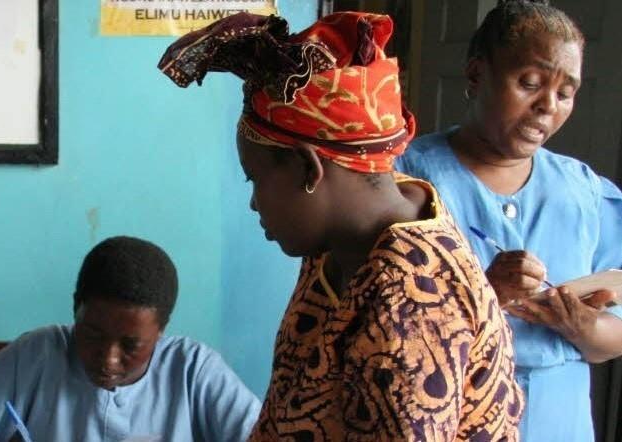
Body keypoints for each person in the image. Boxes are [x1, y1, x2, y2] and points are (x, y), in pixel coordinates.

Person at [159, 11, 523, 440]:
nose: (254, 203)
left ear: (308, 170)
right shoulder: (348, 236)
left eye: (254, 178)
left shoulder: (408, 307)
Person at [395, 1, 622, 439]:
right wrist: (486, 293)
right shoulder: (410, 178)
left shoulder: (584, 191)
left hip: (561, 424)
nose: (547, 106)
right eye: (530, 83)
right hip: (451, 418)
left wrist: (583, 326)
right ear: (476, 75)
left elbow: (611, 339)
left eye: (565, 93)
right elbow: (378, 327)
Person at [0, 236, 261, 442]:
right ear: (76, 308)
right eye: (92, 334)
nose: (108, 359)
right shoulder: (38, 354)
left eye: (131, 345)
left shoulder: (193, 370)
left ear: (161, 329)